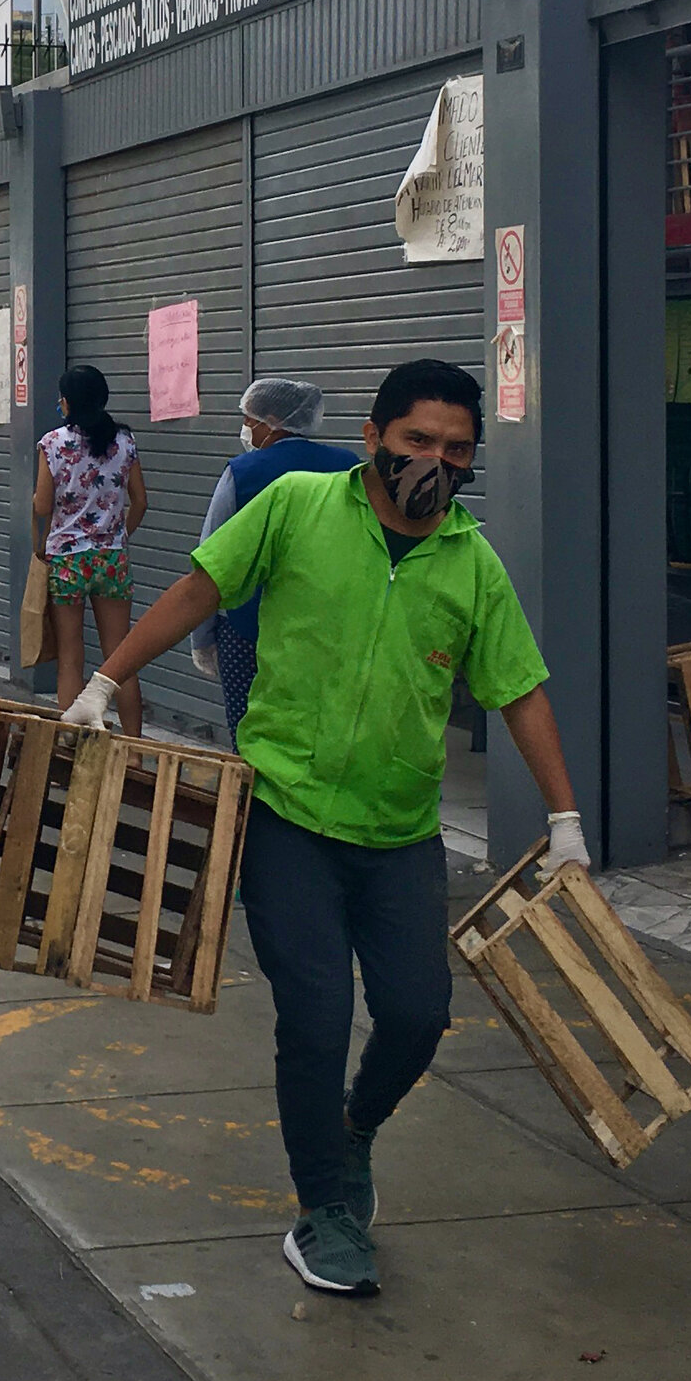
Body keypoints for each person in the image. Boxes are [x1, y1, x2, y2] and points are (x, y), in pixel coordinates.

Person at [59, 358, 589, 1298]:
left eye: (456, 449)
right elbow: (200, 588)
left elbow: (520, 689)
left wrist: (565, 817)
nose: (436, 460)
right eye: (418, 441)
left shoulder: (471, 561)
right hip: (286, 811)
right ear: (376, 438)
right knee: (315, 1012)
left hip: (397, 830)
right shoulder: (299, 504)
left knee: (420, 1016)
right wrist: (109, 680)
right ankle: (325, 1210)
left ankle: (354, 1129)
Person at [190, 377, 358, 741]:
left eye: (249, 421)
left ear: (270, 420)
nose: (246, 429)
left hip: (248, 630)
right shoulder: (349, 467)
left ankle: (251, 799)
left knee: (250, 732)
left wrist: (202, 637)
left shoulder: (242, 472)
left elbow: (211, 561)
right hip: (329, 629)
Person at [35, 364, 149, 736]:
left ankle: (69, 743)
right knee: (120, 656)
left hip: (67, 560)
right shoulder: (125, 441)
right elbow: (141, 501)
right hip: (111, 557)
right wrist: (118, 536)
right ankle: (134, 749)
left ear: (66, 402)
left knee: (70, 657)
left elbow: (42, 506)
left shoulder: (53, 444)